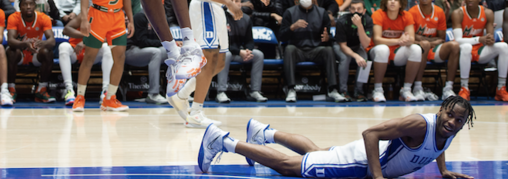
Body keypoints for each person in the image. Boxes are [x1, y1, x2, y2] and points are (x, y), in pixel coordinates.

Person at [196, 98, 475, 179]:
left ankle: (264, 133)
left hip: (363, 160)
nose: (452, 122)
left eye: (459, 120)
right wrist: (377, 177)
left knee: (316, 152)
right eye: (449, 115)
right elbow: (371, 133)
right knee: (291, 167)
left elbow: (438, 147)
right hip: (359, 162)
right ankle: (222, 141)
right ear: (441, 110)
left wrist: (443, 170)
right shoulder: (419, 124)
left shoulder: (447, 131)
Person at [73, 0, 134, 112]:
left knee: (120, 58)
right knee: (89, 58)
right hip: (97, 15)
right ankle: (80, 97)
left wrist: (129, 19)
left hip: (116, 17)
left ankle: (110, 98)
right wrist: (84, 19)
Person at [280, 0, 347, 103]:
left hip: (315, 50)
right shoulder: (289, 12)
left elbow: (329, 37)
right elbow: (281, 36)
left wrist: (327, 38)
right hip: (297, 50)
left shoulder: (322, 13)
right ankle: (291, 89)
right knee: (289, 49)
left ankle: (333, 90)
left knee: (328, 50)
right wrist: (292, 27)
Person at [451, 0, 508, 102]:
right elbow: (458, 40)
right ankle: (464, 89)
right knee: (466, 46)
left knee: (503, 46)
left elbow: (489, 37)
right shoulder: (458, 13)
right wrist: (479, 39)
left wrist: (490, 39)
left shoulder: (488, 13)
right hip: (463, 52)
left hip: (480, 51)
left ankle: (501, 89)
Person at [408, 0, 460, 101]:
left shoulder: (439, 11)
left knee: (455, 45)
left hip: (434, 48)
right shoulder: (412, 12)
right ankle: (417, 87)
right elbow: (412, 36)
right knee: (424, 44)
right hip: (418, 48)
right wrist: (430, 41)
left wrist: (424, 39)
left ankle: (448, 88)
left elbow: (441, 38)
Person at [370, 0, 423, 102]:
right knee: (383, 49)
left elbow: (412, 39)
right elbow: (377, 40)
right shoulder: (378, 14)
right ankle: (378, 90)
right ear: (385, 2)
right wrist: (399, 40)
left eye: (396, 0)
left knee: (416, 49)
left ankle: (406, 90)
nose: (392, 2)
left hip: (396, 52)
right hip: (376, 51)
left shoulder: (407, 15)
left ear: (401, 3)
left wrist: (405, 41)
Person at [214, 0, 267, 104]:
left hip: (240, 53)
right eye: (231, 0)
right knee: (226, 54)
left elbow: (249, 40)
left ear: (240, 4)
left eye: (237, 1)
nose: (234, 3)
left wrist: (248, 50)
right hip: (224, 52)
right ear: (226, 2)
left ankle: (255, 91)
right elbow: (222, 42)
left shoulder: (246, 19)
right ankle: (221, 92)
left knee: (258, 55)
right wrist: (239, 52)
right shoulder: (220, 17)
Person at [5, 0, 56, 103]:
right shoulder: (13, 17)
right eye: (25, 4)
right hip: (20, 54)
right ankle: (11, 89)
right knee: (11, 51)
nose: (28, 7)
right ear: (20, 7)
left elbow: (52, 41)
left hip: (35, 53)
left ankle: (41, 90)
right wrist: (25, 44)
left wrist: (42, 43)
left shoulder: (43, 18)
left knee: (48, 52)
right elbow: (11, 41)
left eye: (31, 4)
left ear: (35, 6)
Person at [58, 13, 114, 106]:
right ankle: (69, 91)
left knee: (107, 48)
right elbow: (65, 30)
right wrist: (84, 35)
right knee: (63, 46)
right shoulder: (84, 15)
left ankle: (105, 91)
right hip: (76, 51)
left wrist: (87, 40)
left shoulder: (106, 17)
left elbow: (109, 37)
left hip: (93, 53)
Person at [125, 10, 169, 105]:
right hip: (131, 51)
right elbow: (141, 42)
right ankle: (153, 94)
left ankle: (176, 93)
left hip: (148, 51)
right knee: (155, 52)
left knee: (172, 51)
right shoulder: (140, 16)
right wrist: (164, 43)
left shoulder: (160, 18)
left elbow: (161, 39)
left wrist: (171, 44)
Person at [333, 0, 373, 101]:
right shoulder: (342, 21)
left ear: (364, 11)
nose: (356, 11)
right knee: (345, 58)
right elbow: (343, 46)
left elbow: (365, 44)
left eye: (359, 9)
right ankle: (343, 90)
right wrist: (355, 56)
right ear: (349, 10)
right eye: (353, 9)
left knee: (365, 59)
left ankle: (359, 91)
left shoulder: (367, 20)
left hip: (357, 46)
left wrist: (359, 25)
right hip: (341, 46)